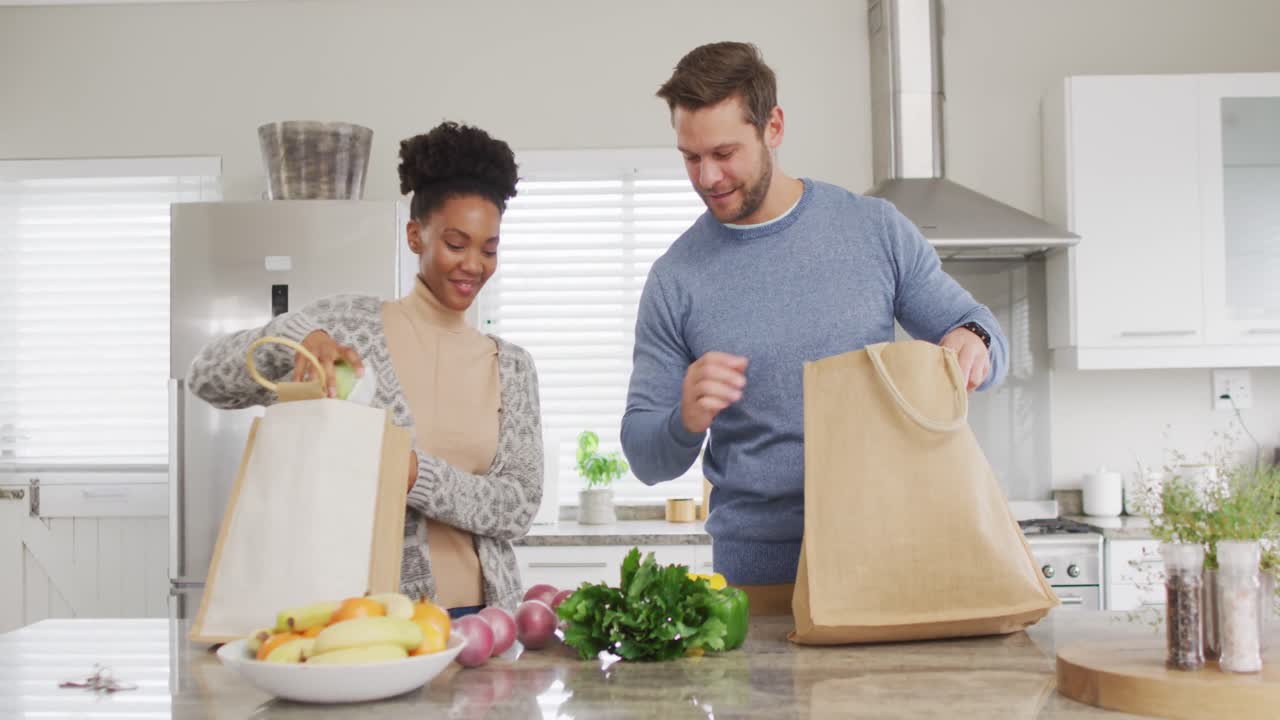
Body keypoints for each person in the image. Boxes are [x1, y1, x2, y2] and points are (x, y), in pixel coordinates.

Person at [620, 42, 1008, 610]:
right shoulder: (676, 279)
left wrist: (972, 340)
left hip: (890, 556)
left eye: (724, 152)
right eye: (690, 157)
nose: (707, 176)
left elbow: (983, 334)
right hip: (758, 578)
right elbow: (644, 457)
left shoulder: (873, 230)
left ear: (772, 126)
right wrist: (685, 417)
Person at [188, 121, 543, 616]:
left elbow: (519, 507)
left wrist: (414, 473)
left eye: (489, 249)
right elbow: (206, 377)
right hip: (364, 622)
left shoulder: (513, 367)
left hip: (484, 625)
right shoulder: (345, 328)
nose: (473, 266)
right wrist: (296, 339)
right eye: (456, 244)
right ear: (416, 236)